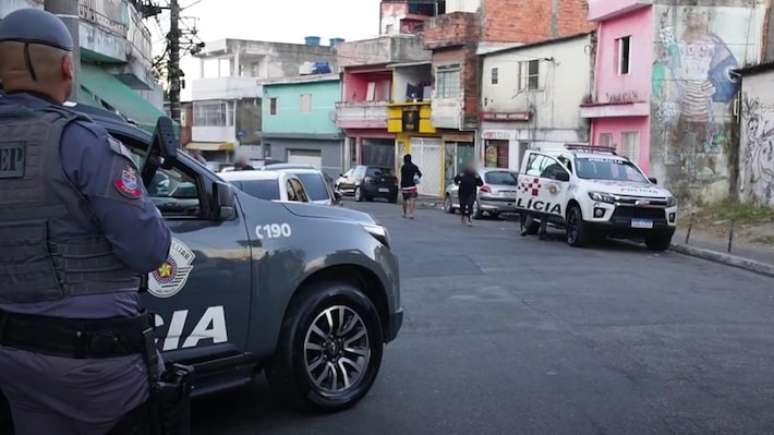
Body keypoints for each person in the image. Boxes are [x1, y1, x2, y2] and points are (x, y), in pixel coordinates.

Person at [0, 9, 171, 435]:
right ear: (66, 65)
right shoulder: (81, 140)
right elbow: (148, 248)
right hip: (95, 363)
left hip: (12, 355)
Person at [400, 154, 422, 219]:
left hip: (405, 186)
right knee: (412, 199)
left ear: (405, 159)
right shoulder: (414, 167)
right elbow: (420, 174)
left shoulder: (403, 167)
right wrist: (415, 177)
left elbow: (402, 177)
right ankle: (411, 214)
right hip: (412, 186)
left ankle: (404, 213)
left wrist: (401, 186)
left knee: (404, 199)